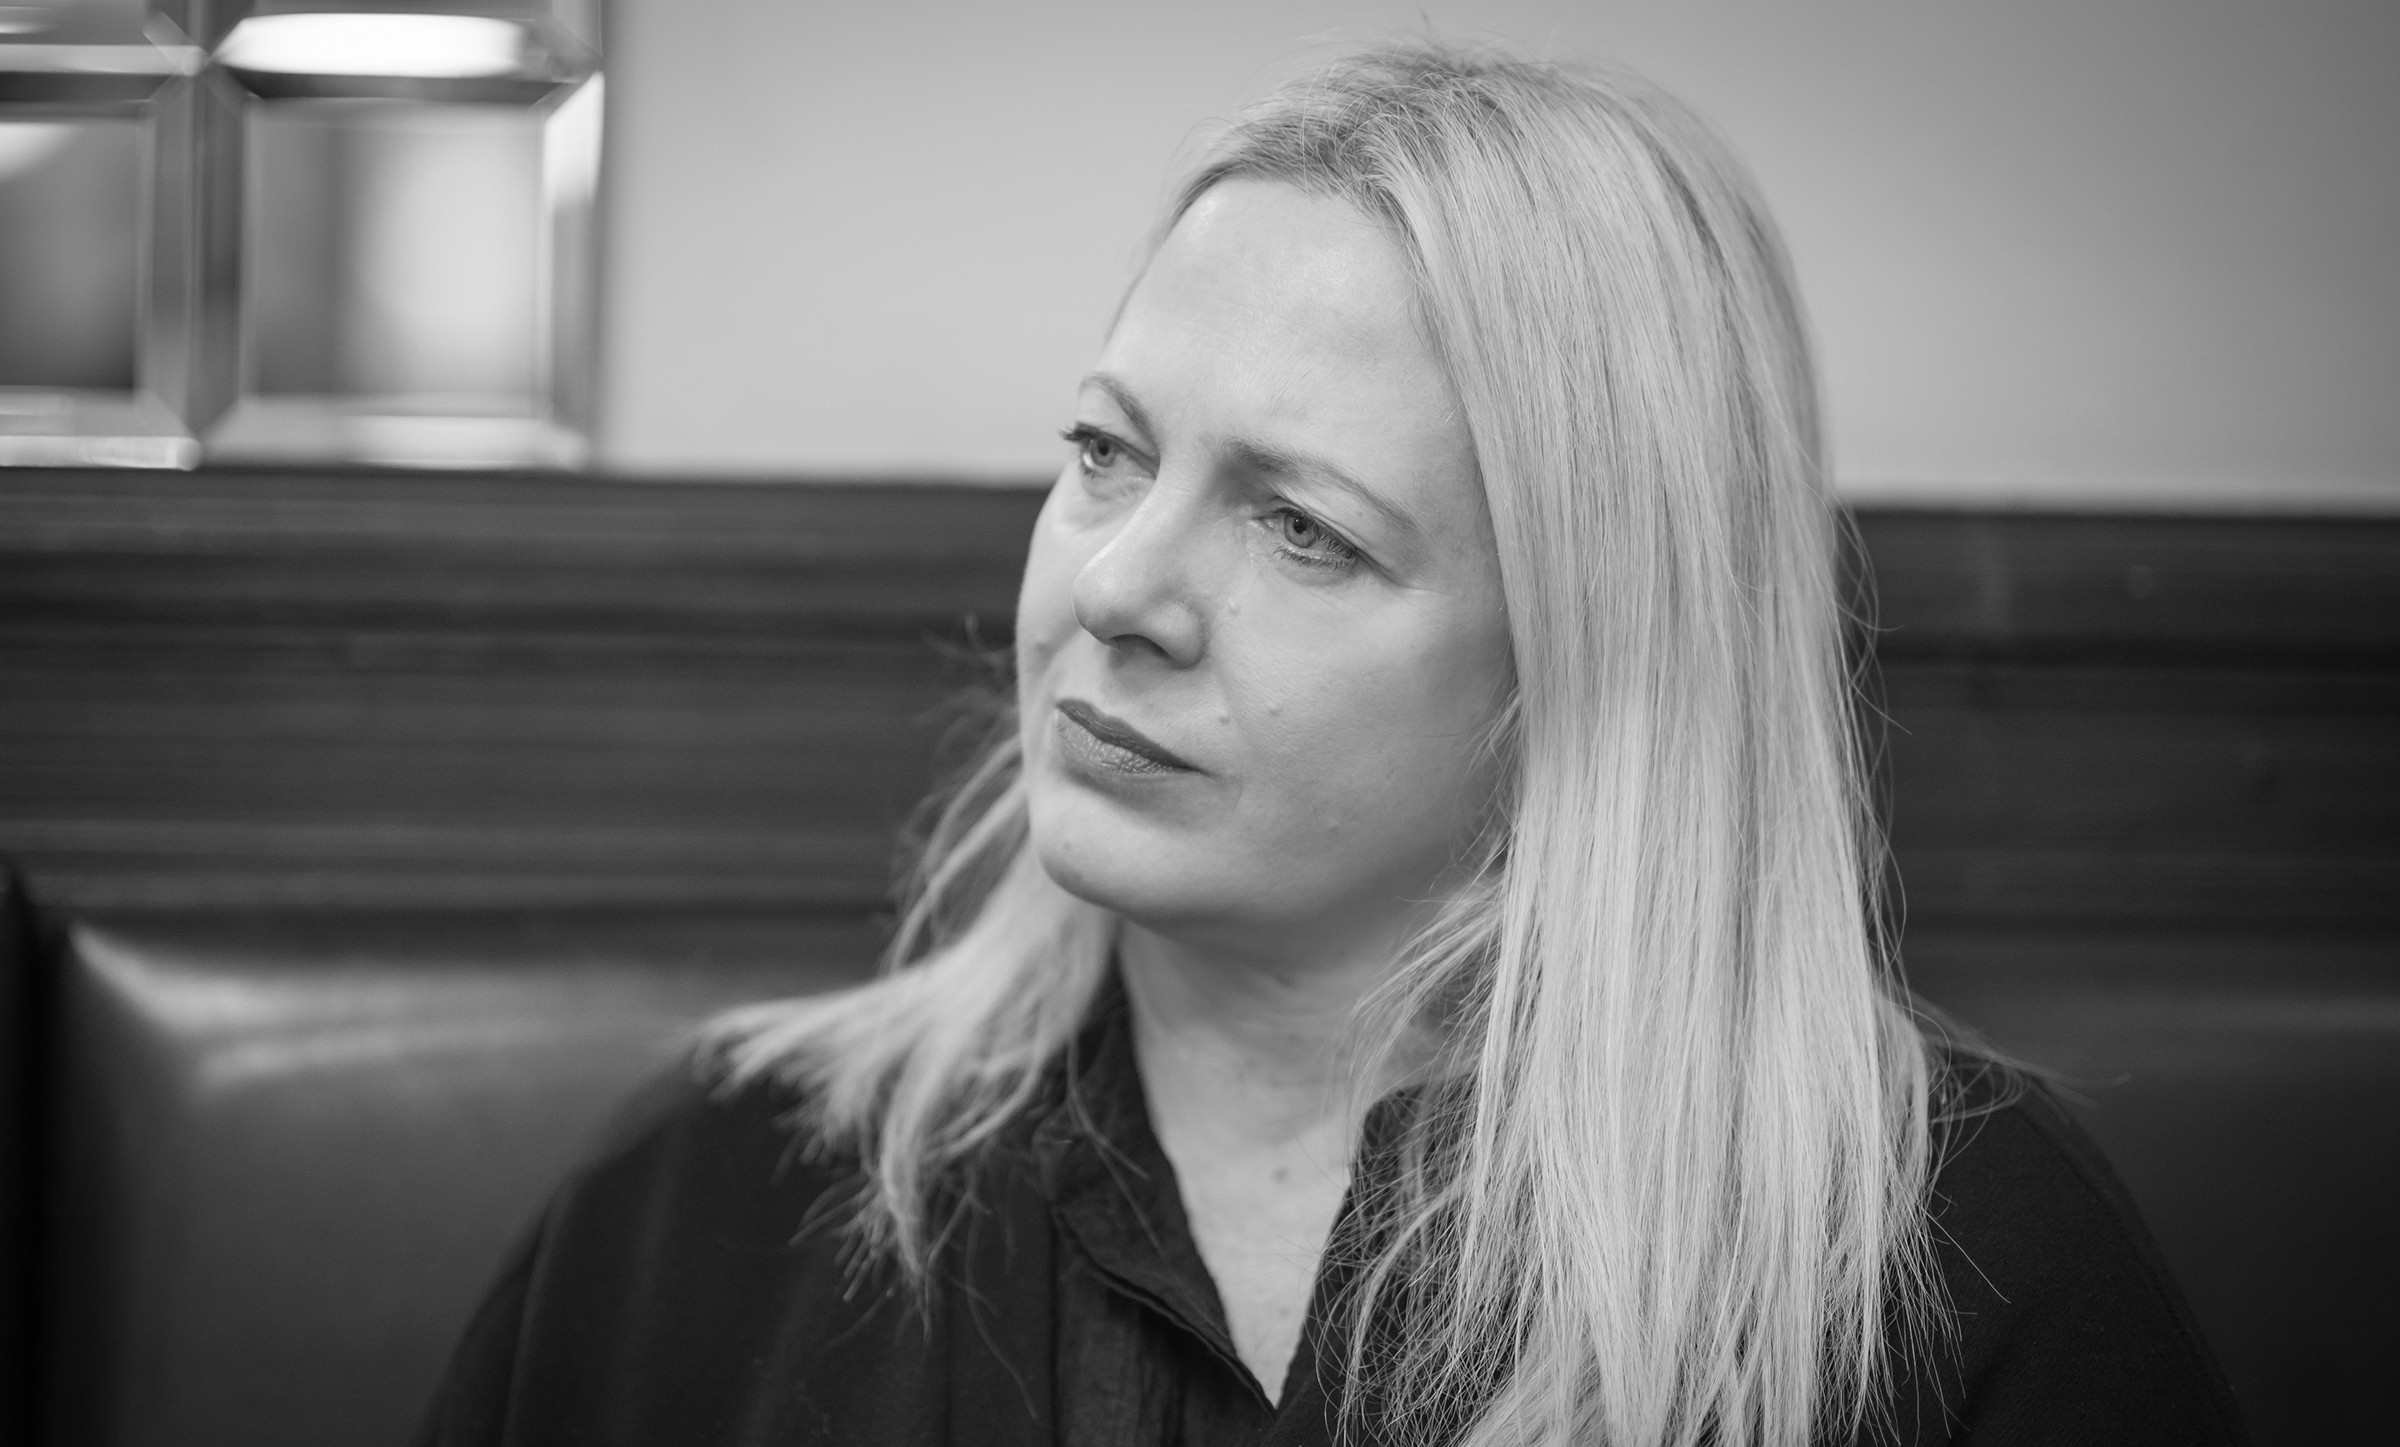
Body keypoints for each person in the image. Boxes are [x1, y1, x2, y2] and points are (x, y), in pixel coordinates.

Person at [421, 41, 2244, 1447]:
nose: (1118, 586)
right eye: (1107, 452)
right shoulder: (706, 1207)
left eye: (1304, 528)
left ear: (1588, 658)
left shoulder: (1954, 1270)